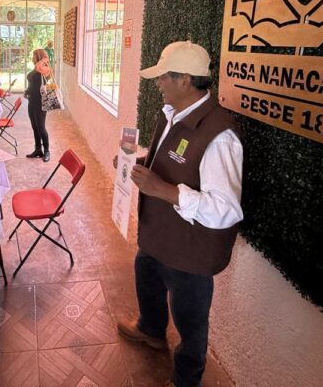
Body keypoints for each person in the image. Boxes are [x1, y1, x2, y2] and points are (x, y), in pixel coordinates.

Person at [114, 41, 244, 387]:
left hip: (189, 252)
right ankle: (151, 330)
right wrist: (137, 166)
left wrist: (163, 190)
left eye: (162, 78)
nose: (157, 84)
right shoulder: (171, 114)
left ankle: (186, 379)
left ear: (185, 80)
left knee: (191, 322)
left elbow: (225, 210)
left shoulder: (221, 137)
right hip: (159, 237)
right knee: (146, 276)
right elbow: (168, 165)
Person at [24, 48, 52, 162]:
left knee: (41, 127)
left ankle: (47, 151)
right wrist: (27, 91)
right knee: (35, 127)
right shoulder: (36, 67)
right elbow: (32, 83)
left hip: (41, 102)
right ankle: (38, 150)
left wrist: (42, 59)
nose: (32, 58)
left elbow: (40, 68)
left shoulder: (44, 69)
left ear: (39, 57)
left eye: (34, 56)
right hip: (32, 101)